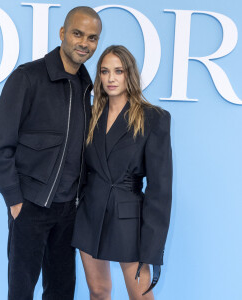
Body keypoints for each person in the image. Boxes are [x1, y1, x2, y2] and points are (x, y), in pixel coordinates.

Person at [0, 6, 102, 300]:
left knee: (62, 290)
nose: (84, 43)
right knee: (22, 291)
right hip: (31, 206)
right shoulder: (28, 77)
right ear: (62, 34)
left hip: (69, 210)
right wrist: (15, 200)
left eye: (92, 38)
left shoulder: (86, 85)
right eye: (77, 34)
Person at [71, 45, 173, 300]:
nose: (111, 78)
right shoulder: (90, 113)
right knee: (98, 290)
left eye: (118, 71)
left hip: (129, 220)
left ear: (130, 74)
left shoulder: (154, 118)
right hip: (89, 213)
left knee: (140, 297)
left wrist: (152, 245)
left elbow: (160, 188)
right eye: (105, 71)